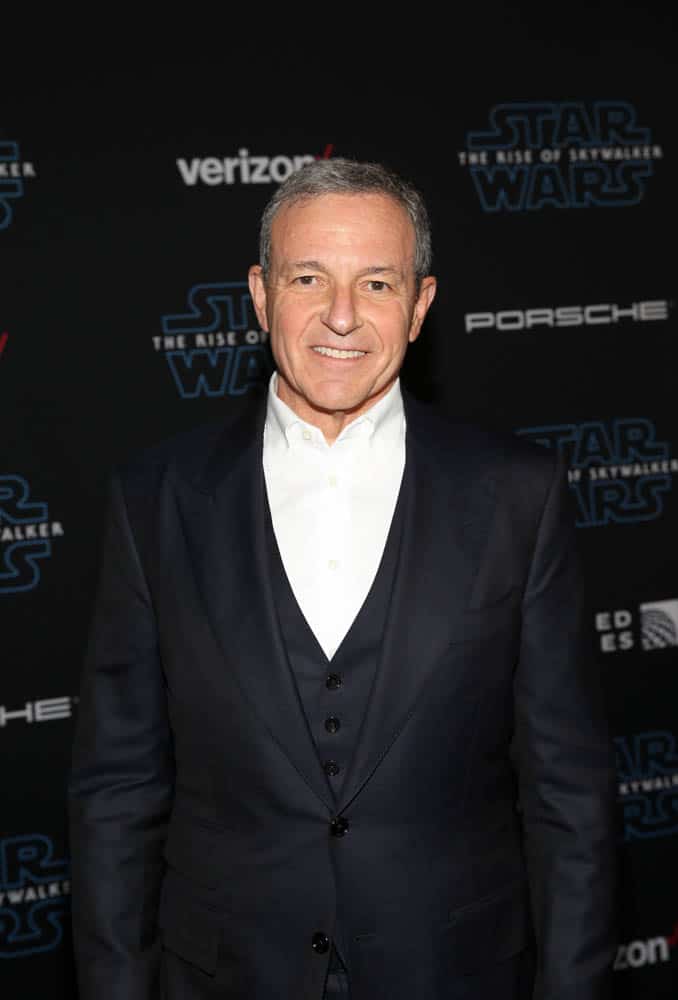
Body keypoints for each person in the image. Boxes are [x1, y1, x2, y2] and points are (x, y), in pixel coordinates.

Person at [68, 158, 617, 1000]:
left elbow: (569, 793)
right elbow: (117, 792)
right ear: (260, 295)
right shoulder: (156, 499)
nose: (341, 315)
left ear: (421, 305)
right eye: (308, 278)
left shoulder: (518, 495)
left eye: (377, 284)